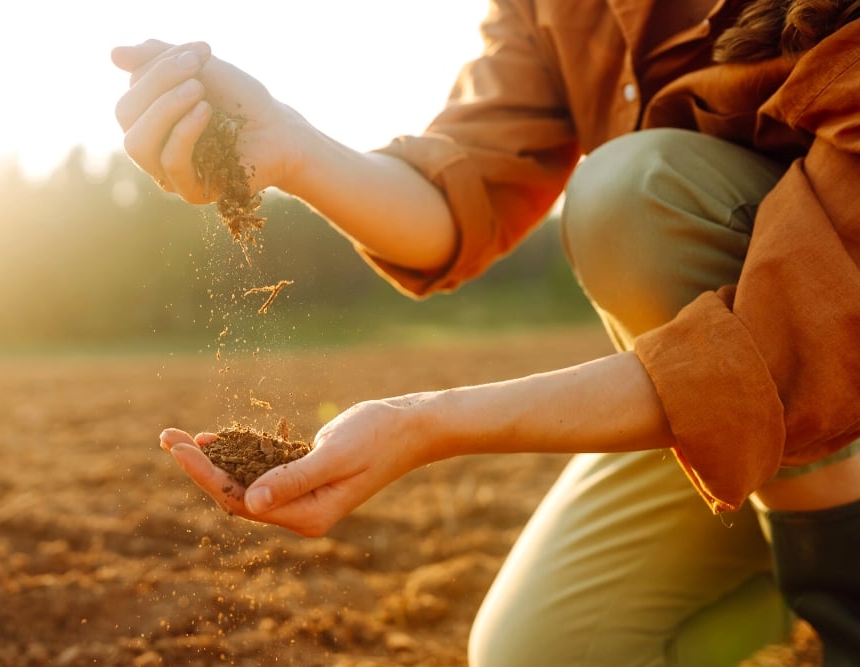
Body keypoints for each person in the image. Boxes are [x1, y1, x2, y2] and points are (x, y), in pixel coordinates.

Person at [111, 1, 860, 664]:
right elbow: (458, 197)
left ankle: (839, 593)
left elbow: (815, 304)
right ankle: (776, 515)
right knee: (542, 649)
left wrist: (427, 423)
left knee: (632, 195)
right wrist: (291, 144)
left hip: (827, 343)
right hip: (726, 387)